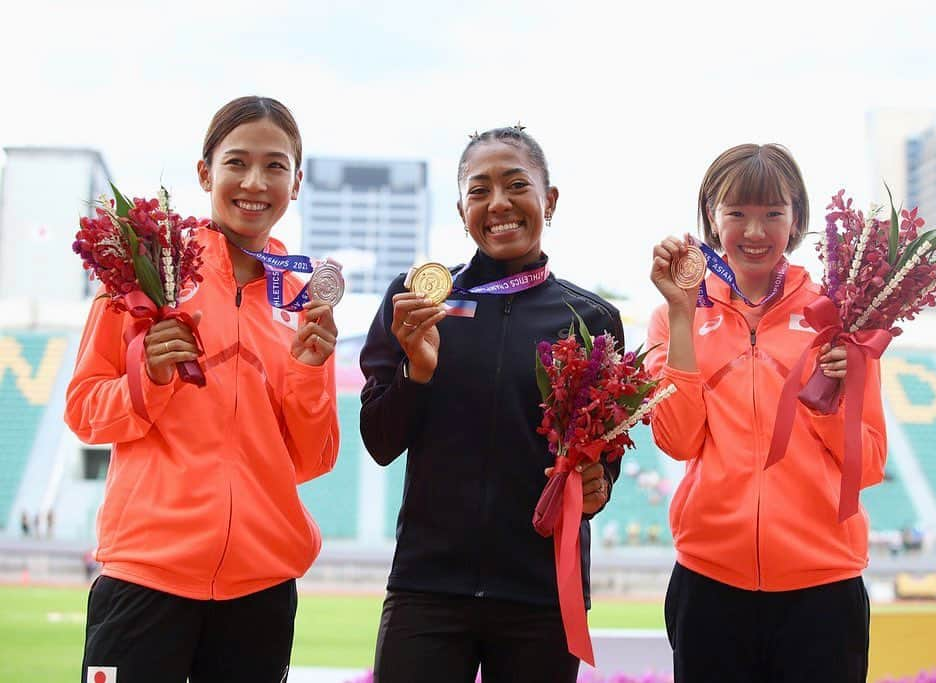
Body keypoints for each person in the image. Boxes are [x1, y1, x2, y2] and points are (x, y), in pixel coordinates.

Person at [65, 96, 340, 683]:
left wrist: (312, 370)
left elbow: (313, 459)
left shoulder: (301, 299)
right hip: (146, 577)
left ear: (296, 183)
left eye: (275, 166)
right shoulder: (146, 270)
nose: (254, 182)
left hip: (261, 591)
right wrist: (150, 378)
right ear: (204, 172)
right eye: (237, 162)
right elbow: (86, 412)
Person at [360, 126, 623, 683]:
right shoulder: (415, 302)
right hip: (427, 589)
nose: (498, 203)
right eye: (479, 191)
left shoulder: (593, 320)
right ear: (461, 210)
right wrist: (417, 372)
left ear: (549, 201)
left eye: (516, 185)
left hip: (541, 596)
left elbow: (602, 462)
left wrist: (600, 484)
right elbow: (380, 443)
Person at [646, 144, 886, 683]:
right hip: (710, 581)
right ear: (712, 215)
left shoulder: (841, 313)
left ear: (796, 218)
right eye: (737, 214)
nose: (754, 232)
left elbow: (867, 465)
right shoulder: (671, 315)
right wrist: (684, 317)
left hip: (824, 587)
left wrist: (830, 396)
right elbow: (679, 441)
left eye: (772, 213)